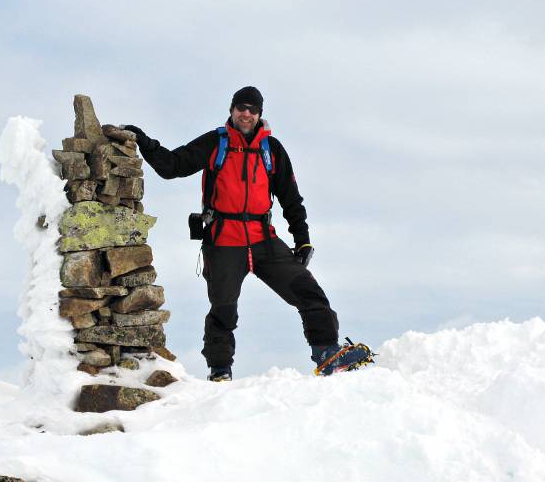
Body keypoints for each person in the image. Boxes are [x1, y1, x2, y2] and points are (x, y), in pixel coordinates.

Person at [124, 86, 372, 381]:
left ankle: (327, 353)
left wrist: (302, 239)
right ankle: (220, 370)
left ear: (260, 115)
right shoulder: (215, 143)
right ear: (231, 110)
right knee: (223, 310)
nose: (246, 113)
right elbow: (173, 166)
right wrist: (145, 142)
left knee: (309, 291)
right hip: (223, 239)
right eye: (241, 107)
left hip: (263, 239)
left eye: (253, 109)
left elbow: (291, 199)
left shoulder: (273, 149)